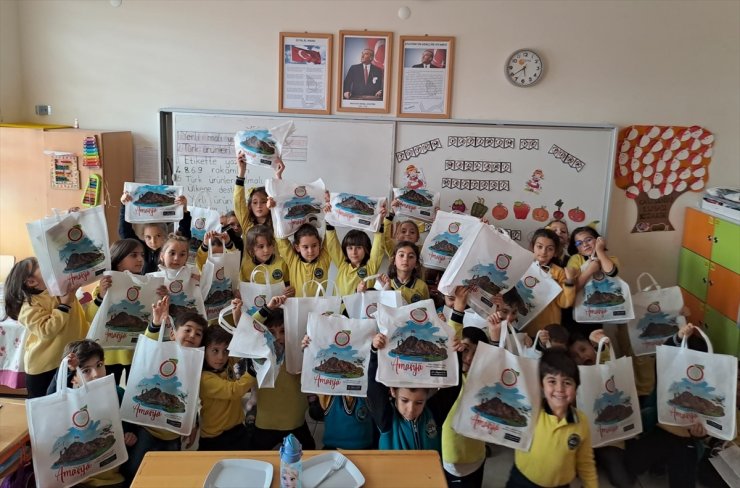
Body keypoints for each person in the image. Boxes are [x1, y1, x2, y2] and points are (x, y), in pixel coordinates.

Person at [121, 300, 206, 481]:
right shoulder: (160, 352)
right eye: (188, 329)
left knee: (165, 476)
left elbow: (192, 397)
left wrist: (193, 422)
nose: (192, 335)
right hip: (146, 430)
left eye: (198, 334)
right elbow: (147, 347)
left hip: (173, 433)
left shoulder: (196, 365)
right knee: (136, 473)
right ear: (174, 333)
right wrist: (155, 323)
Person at [366, 294, 463, 452]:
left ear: (427, 398)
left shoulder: (433, 414)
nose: (411, 409)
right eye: (404, 400)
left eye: (419, 403)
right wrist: (374, 352)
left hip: (428, 475)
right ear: (392, 392)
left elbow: (453, 387)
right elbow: (373, 387)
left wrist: (456, 354)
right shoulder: (387, 420)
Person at [47, 339, 138, 488]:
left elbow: (129, 421)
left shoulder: (116, 392)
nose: (96, 374)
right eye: (86, 370)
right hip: (75, 479)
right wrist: (66, 370)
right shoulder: (68, 400)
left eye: (99, 365)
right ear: (73, 378)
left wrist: (129, 433)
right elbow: (50, 399)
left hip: (111, 475)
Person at [506, 349, 598, 488]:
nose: (560, 388)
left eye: (567, 382)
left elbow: (585, 462)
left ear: (576, 387)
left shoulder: (581, 422)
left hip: (560, 485)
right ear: (541, 385)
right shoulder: (531, 410)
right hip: (522, 481)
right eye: (552, 381)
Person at [84, 238, 166, 386]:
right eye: (133, 255)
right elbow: (90, 316)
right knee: (108, 394)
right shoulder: (106, 283)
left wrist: (163, 297)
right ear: (119, 259)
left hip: (135, 353)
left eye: (142, 255)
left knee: (132, 393)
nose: (140, 259)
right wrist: (101, 296)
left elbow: (155, 316)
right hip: (109, 355)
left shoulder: (148, 283)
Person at [3, 257, 87, 398]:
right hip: (44, 367)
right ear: (31, 281)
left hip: (69, 360)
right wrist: (65, 305)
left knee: (68, 402)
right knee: (43, 408)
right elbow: (46, 330)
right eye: (40, 264)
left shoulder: (60, 290)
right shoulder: (29, 305)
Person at [241, 295, 315, 451]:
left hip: (295, 422)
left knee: (309, 455)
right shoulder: (260, 354)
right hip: (265, 422)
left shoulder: (298, 352)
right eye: (272, 332)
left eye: (283, 331)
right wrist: (266, 309)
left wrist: (310, 347)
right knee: (256, 460)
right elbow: (247, 330)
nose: (278, 337)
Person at [441, 288, 493, 487]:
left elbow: (497, 363)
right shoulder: (451, 380)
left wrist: (495, 335)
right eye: (466, 350)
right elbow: (450, 343)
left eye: (476, 354)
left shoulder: (483, 380)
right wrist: (459, 309)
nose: (469, 358)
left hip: (477, 456)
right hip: (450, 456)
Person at [198, 321, 256, 451]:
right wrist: (252, 372)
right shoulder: (204, 378)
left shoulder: (227, 362)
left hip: (237, 428)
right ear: (204, 351)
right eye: (215, 350)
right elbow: (233, 391)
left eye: (225, 350)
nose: (221, 357)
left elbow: (240, 349)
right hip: (214, 437)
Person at [119, 191, 191, 274]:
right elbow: (124, 232)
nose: (153, 241)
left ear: (165, 235)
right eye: (148, 237)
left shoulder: (171, 247)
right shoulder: (140, 249)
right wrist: (124, 206)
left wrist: (184, 210)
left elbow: (184, 236)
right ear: (143, 236)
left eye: (158, 236)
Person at [522, 228, 577, 335]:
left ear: (555, 252)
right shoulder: (523, 266)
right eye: (539, 246)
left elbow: (564, 302)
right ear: (532, 247)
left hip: (548, 328)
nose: (543, 252)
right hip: (522, 325)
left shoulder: (558, 272)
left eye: (550, 248)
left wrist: (570, 280)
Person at [273, 221, 331, 298]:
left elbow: (330, 241)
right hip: (297, 307)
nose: (310, 251)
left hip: (319, 308)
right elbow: (281, 240)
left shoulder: (324, 260)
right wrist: (276, 211)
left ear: (319, 244)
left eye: (314, 245)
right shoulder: (293, 261)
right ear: (297, 247)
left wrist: (329, 218)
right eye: (305, 247)